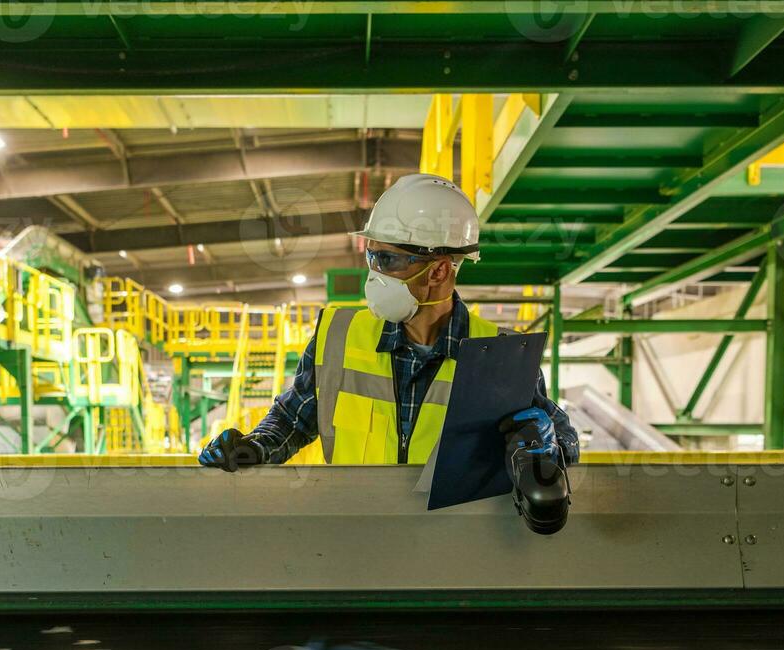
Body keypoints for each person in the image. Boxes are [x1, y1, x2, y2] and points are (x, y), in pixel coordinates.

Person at [199, 172, 579, 472]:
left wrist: (546, 447)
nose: (374, 274)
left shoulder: (501, 355)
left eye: (390, 261)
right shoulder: (337, 337)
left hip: (454, 556)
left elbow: (563, 441)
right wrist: (252, 448)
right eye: (372, 256)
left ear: (440, 270)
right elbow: (291, 421)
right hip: (357, 548)